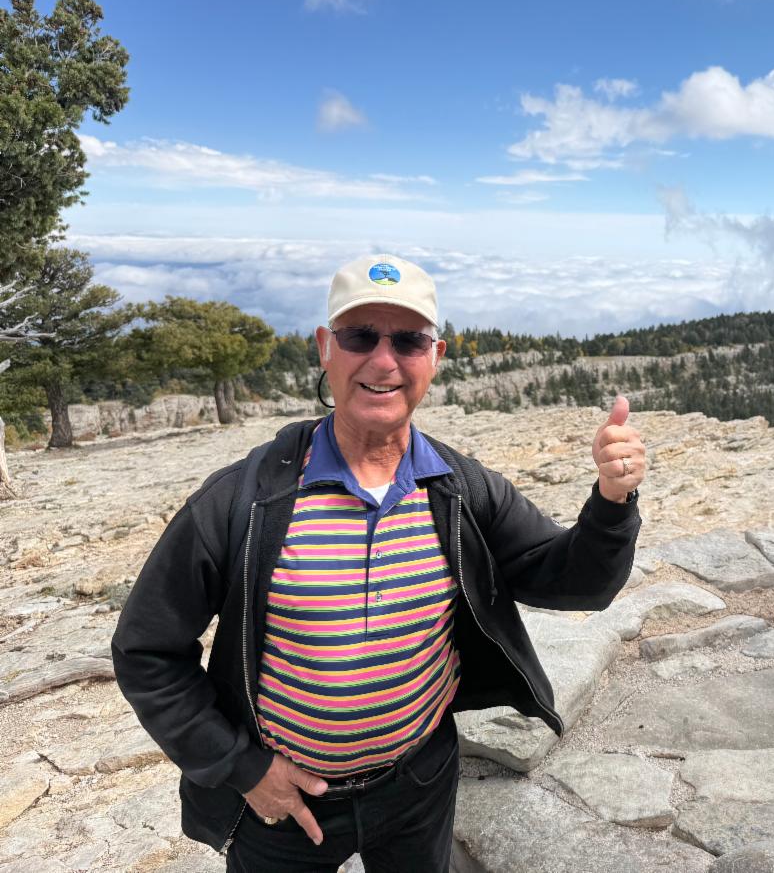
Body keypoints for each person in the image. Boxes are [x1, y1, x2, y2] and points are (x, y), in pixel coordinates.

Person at [111, 255, 646, 872]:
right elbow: (147, 650)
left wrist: (612, 502)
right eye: (360, 336)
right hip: (285, 808)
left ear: (434, 357)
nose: (384, 360)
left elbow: (574, 582)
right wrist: (245, 768)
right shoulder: (244, 500)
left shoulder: (457, 488)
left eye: (408, 340)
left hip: (419, 782)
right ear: (325, 348)